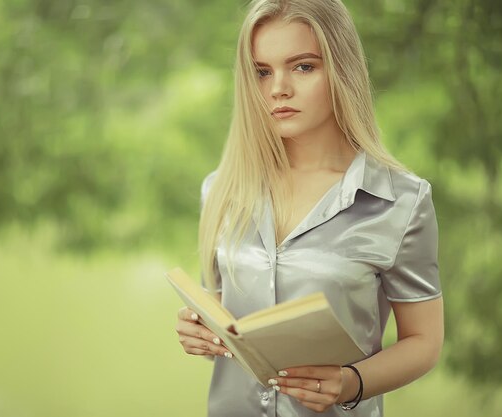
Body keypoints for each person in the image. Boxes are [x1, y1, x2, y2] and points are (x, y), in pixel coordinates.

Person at [175, 0, 444, 416]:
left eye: (302, 67)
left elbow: (424, 342)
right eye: (262, 71)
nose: (278, 88)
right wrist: (202, 335)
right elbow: (229, 330)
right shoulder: (222, 190)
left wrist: (350, 383)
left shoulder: (402, 201)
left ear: (341, 69)